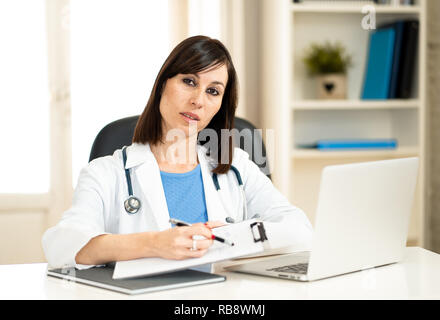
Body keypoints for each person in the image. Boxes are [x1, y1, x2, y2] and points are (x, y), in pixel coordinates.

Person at [42, 35, 313, 269]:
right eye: (189, 81)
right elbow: (62, 245)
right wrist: (155, 243)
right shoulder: (105, 173)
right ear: (163, 84)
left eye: (213, 91)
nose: (198, 100)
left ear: (220, 105)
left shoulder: (237, 167)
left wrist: (234, 235)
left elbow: (300, 230)